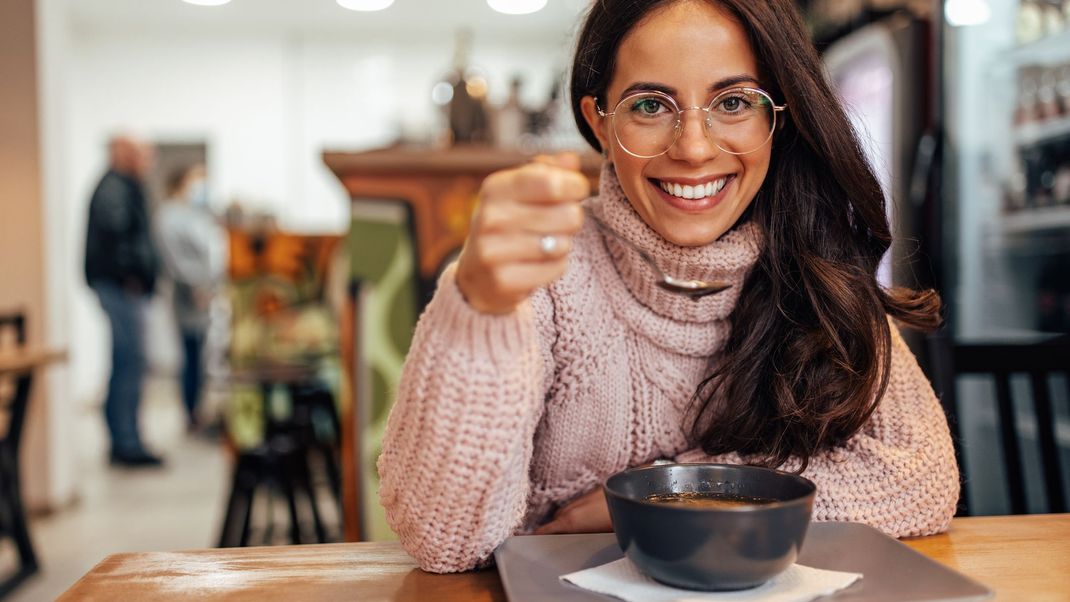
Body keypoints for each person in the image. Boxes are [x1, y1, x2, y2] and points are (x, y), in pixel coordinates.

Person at [378, 0, 959, 573]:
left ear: (777, 119)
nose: (694, 148)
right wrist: (478, 311)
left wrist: (656, 499)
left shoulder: (821, 269)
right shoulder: (540, 276)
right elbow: (448, 542)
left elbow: (922, 478)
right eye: (651, 105)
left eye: (733, 102)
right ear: (600, 121)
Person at [85, 135, 163, 467]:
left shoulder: (121, 186)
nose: (147, 160)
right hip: (121, 287)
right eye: (141, 154)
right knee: (130, 362)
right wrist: (131, 276)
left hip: (122, 285)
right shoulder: (115, 189)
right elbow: (119, 238)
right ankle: (126, 442)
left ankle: (126, 438)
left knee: (127, 361)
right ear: (124, 154)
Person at [155, 164, 226, 432]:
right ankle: (191, 413)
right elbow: (174, 260)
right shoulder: (169, 216)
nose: (202, 187)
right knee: (191, 354)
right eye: (197, 181)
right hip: (188, 294)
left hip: (204, 292)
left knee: (201, 354)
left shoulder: (194, 214)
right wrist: (197, 286)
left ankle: (199, 409)